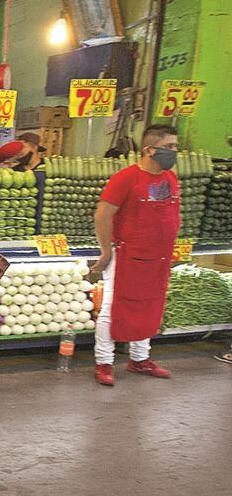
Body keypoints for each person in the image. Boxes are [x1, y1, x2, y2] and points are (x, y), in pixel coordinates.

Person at [90, 125, 182, 387]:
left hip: (158, 258)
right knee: (113, 308)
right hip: (127, 255)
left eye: (176, 146)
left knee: (149, 306)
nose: (175, 152)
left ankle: (140, 359)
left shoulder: (169, 178)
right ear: (150, 149)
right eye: (170, 147)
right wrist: (106, 251)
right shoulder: (125, 178)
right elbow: (102, 215)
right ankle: (104, 362)